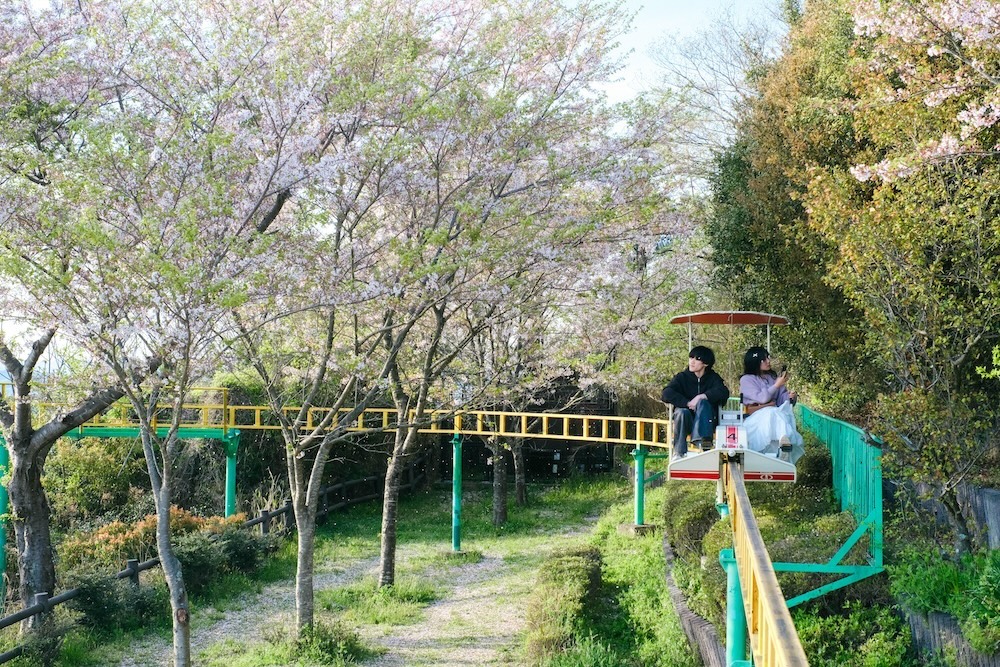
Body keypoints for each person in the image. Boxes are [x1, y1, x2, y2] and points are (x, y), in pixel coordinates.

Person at [661, 346, 730, 459]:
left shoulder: (713, 378)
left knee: (703, 403)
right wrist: (687, 403)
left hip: (707, 422)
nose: (692, 361)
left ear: (706, 363)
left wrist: (702, 396)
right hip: (687, 421)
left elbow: (723, 392)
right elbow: (666, 393)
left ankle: (703, 443)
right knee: (681, 412)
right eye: (691, 357)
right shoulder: (682, 377)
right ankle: (679, 452)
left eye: (697, 359)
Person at [739, 346, 803, 462]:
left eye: (768, 358)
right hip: (755, 417)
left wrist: (790, 397)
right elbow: (762, 398)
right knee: (772, 412)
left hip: (775, 414)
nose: (768, 361)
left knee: (777, 413)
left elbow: (781, 400)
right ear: (755, 362)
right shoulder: (746, 379)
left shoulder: (772, 377)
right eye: (764, 359)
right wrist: (776, 385)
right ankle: (783, 441)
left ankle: (783, 444)